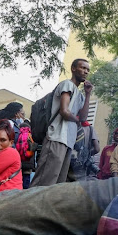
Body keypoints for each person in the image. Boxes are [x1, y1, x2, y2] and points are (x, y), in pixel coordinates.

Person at [31, 59, 92, 187]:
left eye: (87, 70)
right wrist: (77, 120)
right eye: (83, 68)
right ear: (73, 68)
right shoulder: (66, 85)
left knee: (57, 184)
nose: (86, 72)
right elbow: (64, 111)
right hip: (57, 138)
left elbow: (83, 118)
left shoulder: (80, 95)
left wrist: (88, 94)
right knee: (44, 181)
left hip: (68, 142)